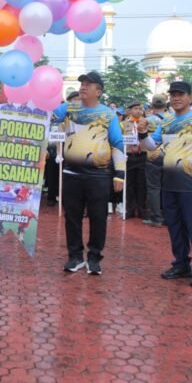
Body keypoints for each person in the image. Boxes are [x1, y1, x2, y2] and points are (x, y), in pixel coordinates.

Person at [139, 81, 192, 288]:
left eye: (180, 94)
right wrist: (142, 133)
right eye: (173, 94)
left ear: (189, 98)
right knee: (175, 227)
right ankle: (181, 264)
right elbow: (152, 146)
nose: (176, 98)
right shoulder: (166, 123)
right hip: (169, 183)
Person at [52, 72, 125, 275]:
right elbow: (47, 116)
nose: (83, 87)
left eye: (88, 84)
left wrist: (120, 174)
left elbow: (117, 143)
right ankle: (75, 257)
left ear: (98, 91)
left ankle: (94, 257)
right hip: (71, 172)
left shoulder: (108, 114)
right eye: (82, 84)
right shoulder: (68, 109)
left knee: (98, 217)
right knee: (72, 217)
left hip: (99, 175)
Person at [143, 94, 168, 227]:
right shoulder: (171, 118)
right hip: (169, 155)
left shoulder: (147, 120)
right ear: (165, 105)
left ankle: (156, 218)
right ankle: (167, 215)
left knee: (153, 188)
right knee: (167, 187)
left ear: (152, 105)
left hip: (153, 155)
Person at [121, 101, 147, 219]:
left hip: (143, 155)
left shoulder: (146, 122)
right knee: (129, 184)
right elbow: (119, 140)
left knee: (141, 184)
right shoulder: (123, 124)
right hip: (129, 156)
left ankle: (142, 209)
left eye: (140, 109)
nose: (138, 111)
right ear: (130, 111)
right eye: (135, 108)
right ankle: (130, 209)